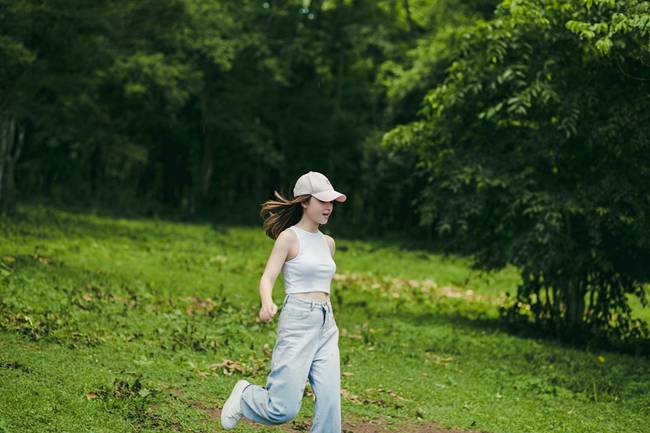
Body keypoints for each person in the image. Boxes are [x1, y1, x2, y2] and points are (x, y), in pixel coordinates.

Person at [220, 171, 347, 432]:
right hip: (298, 321)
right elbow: (268, 277)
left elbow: (323, 285)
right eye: (322, 201)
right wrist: (266, 302)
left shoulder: (329, 243)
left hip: (326, 323)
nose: (328, 207)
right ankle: (245, 396)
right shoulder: (289, 238)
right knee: (282, 409)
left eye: (331, 202)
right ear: (304, 202)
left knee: (330, 404)